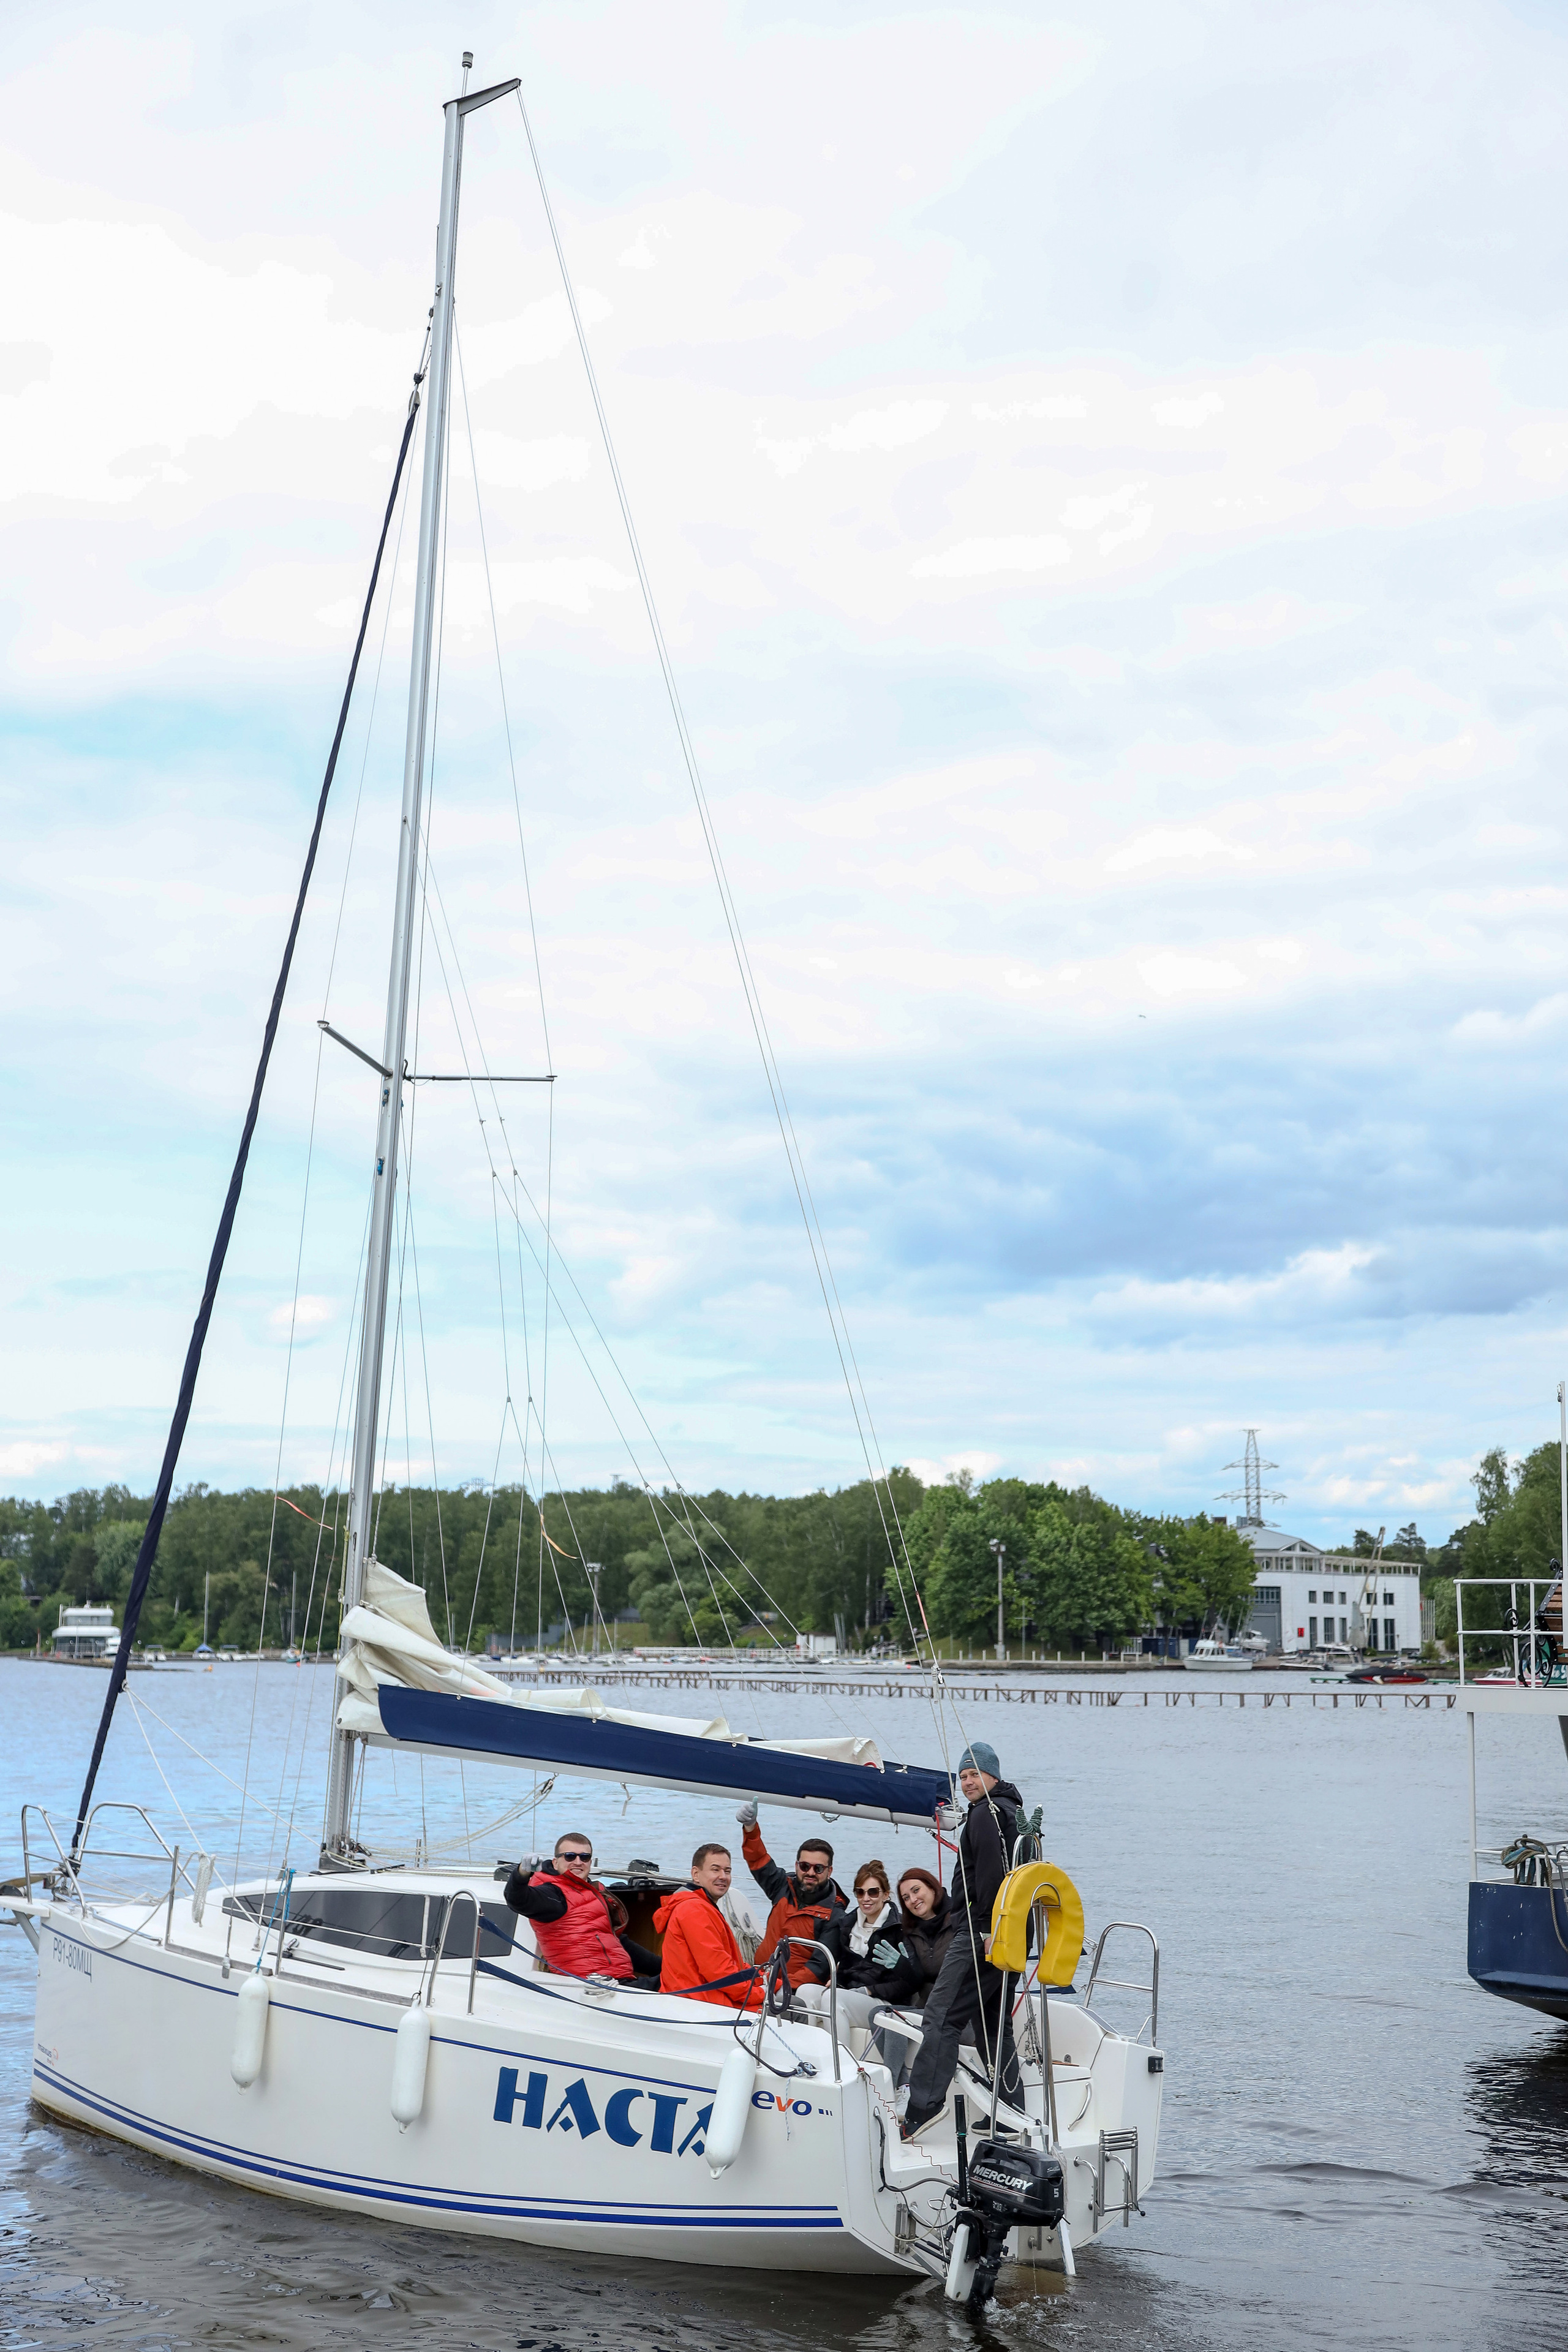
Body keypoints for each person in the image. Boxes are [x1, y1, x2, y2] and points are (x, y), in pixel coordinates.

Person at [902, 1742, 1025, 2136]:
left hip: (981, 1933)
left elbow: (990, 1875)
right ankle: (1010, 2111)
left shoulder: (986, 1816)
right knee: (992, 2023)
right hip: (1014, 1934)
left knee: (940, 2016)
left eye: (975, 1775)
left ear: (994, 1776)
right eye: (964, 1776)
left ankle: (925, 2106)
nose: (968, 1782)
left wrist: (988, 1931)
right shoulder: (1013, 1813)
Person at [504, 1832, 661, 1987]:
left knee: (679, 1978)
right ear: (555, 1862)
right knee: (679, 1985)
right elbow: (518, 1900)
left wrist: (665, 1967)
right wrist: (522, 1874)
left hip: (617, 1980)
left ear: (590, 1862)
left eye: (584, 1857)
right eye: (570, 1856)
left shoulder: (590, 1892)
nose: (578, 1862)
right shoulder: (553, 1894)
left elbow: (614, 1940)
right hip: (589, 1986)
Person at [736, 1801, 847, 1988]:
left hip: (793, 1993)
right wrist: (750, 1827)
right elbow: (758, 1860)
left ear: (830, 1871)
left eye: (818, 1868)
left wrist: (778, 1986)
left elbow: (818, 1968)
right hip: (759, 1977)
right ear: (797, 1866)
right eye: (805, 1866)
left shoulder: (835, 1917)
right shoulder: (782, 1886)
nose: (810, 1873)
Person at [654, 1842, 764, 2008]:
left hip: (705, 1998)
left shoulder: (701, 1906)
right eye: (715, 1870)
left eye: (727, 1871)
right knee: (792, 2008)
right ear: (696, 1874)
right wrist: (761, 1993)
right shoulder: (694, 1910)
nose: (723, 1876)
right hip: (701, 2004)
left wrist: (765, 1978)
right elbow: (720, 1973)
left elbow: (731, 1966)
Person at [873, 1867, 956, 2010]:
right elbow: (917, 1982)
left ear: (932, 1887)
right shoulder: (910, 1931)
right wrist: (902, 1966)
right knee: (878, 2014)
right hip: (927, 2006)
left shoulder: (958, 1917)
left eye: (916, 1890)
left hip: (958, 2008)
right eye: (906, 1898)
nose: (913, 1899)